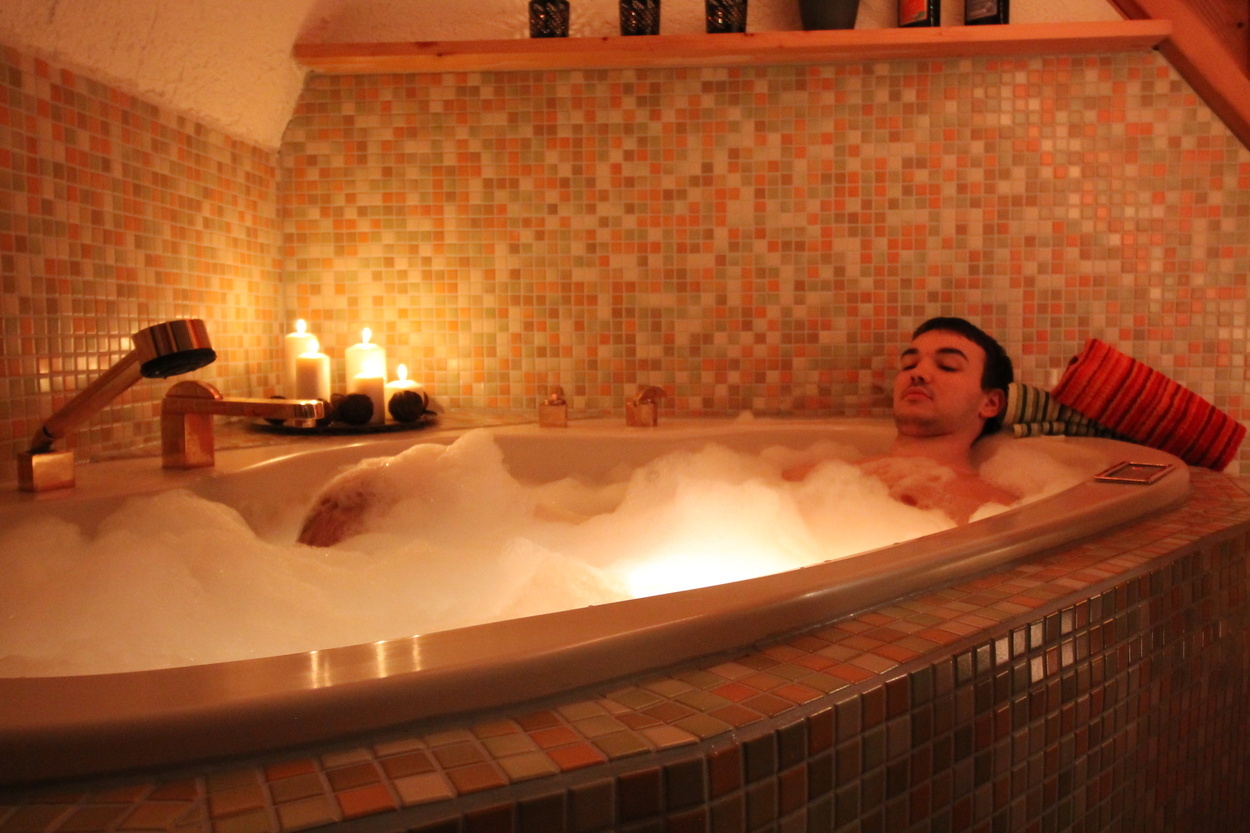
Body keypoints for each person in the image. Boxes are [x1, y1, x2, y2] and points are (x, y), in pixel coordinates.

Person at [784, 316, 1019, 523]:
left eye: (947, 366)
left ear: (990, 403)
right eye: (909, 365)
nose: (918, 373)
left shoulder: (995, 510)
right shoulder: (809, 479)